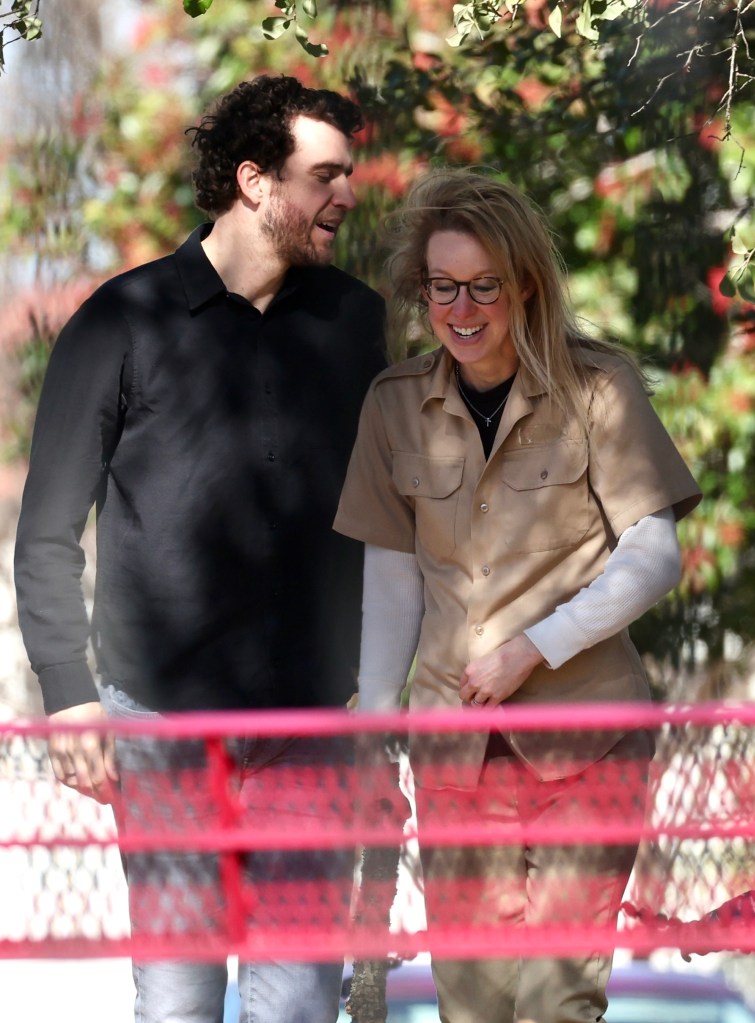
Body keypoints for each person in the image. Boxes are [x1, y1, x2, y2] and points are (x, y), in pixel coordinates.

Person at [14, 75, 386, 1023]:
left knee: (299, 1008)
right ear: (256, 181)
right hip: (163, 725)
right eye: (325, 175)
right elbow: (48, 530)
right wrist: (69, 696)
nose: (347, 194)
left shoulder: (357, 323)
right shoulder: (121, 320)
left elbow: (395, 521)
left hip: (312, 726)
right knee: (177, 1004)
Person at [333, 169, 703, 1023]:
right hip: (453, 750)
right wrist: (376, 727)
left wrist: (536, 646)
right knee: (475, 1003)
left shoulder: (599, 388)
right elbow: (391, 577)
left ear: (524, 285)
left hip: (589, 739)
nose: (462, 309)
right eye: (442, 287)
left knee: (557, 999)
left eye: (484, 287)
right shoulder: (394, 407)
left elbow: (654, 555)